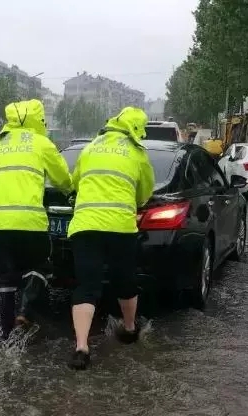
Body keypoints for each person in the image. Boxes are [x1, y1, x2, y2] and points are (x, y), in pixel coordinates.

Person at [66, 107, 156, 370]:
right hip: (120, 227)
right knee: (124, 280)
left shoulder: (90, 148)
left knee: (86, 285)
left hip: (85, 226)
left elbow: (75, 182)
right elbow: (144, 192)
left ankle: (81, 347)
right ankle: (129, 328)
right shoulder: (138, 153)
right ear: (137, 129)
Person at [0, 99, 73, 339]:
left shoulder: (1, 144)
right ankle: (24, 312)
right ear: (37, 119)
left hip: (0, 222)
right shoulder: (41, 143)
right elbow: (62, 179)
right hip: (30, 221)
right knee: (40, 266)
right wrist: (70, 189)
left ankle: (6, 332)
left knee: (5, 275)